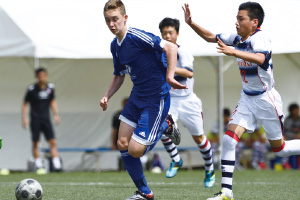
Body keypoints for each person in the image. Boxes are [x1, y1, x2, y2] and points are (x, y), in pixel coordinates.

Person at [182, 2, 300, 199]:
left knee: (279, 149)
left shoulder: (261, 37)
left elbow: (261, 59)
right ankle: (226, 193)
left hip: (266, 99)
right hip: (247, 98)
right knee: (228, 140)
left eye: (240, 18)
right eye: (236, 18)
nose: (236, 22)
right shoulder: (236, 38)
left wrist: (233, 51)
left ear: (255, 22)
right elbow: (211, 37)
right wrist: (191, 23)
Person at [101, 1, 186, 199]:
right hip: (136, 97)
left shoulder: (137, 36)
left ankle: (165, 125)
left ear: (125, 18)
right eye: (108, 20)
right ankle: (145, 192)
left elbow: (171, 48)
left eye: (115, 19)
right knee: (122, 142)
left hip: (156, 99)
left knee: (135, 150)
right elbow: (119, 75)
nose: (112, 24)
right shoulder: (115, 46)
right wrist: (107, 95)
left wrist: (170, 76)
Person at [158, 17, 215, 188]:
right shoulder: (158, 52)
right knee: (161, 128)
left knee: (199, 138)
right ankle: (176, 160)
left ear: (177, 34)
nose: (167, 36)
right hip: (171, 101)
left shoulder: (183, 52)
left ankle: (209, 169)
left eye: (170, 32)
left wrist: (168, 69)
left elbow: (189, 74)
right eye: (164, 33)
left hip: (189, 101)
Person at [22, 67, 62, 174]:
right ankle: (38, 165)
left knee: (52, 141)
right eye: (39, 76)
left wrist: (56, 114)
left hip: (46, 119)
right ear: (36, 77)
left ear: (46, 76)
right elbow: (25, 104)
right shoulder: (31, 89)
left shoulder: (50, 88)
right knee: (36, 142)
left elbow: (52, 101)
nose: (42, 78)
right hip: (35, 119)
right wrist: (24, 118)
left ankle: (57, 165)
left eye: (43, 76)